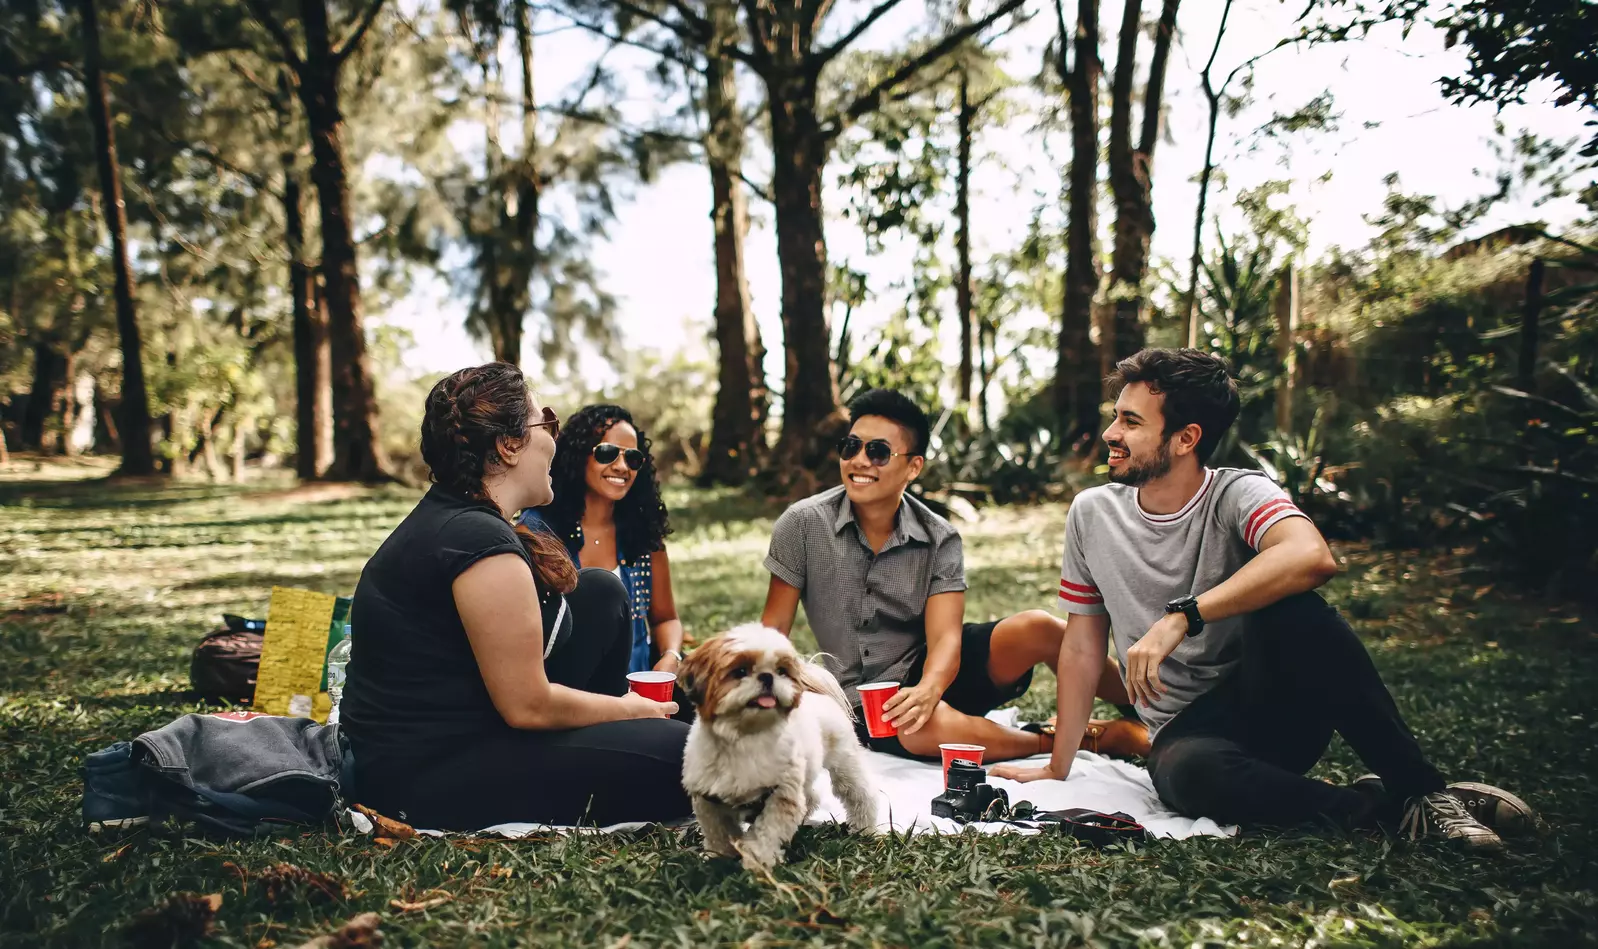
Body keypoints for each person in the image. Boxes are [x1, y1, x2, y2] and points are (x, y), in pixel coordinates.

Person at [993, 348, 1534, 849]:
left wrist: (1184, 616)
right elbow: (1083, 646)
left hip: (1273, 707)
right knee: (1187, 776)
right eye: (1117, 415)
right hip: (1188, 736)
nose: (1111, 432)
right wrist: (1057, 766)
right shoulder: (1092, 513)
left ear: (1186, 438)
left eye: (1131, 422)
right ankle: (1391, 811)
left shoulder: (1238, 492)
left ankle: (1422, 790)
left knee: (1295, 608)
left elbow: (1310, 556)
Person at [341, 363, 691, 831]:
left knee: (601, 591)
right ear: (508, 446)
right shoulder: (476, 541)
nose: (554, 438)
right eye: (545, 422)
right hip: (427, 773)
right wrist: (633, 707)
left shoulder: (465, 517)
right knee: (688, 757)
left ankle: (623, 738)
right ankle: (632, 738)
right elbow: (528, 706)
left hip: (472, 726)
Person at [759, 388, 1147, 763]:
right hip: (864, 699)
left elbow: (946, 636)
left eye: (877, 452)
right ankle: (1075, 739)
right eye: (851, 447)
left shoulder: (939, 537)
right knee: (918, 728)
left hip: (935, 668)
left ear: (913, 467)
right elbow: (773, 630)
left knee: (1040, 628)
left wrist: (929, 688)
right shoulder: (803, 524)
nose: (859, 460)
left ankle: (1153, 713)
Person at [518, 404, 685, 679]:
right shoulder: (538, 531)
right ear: (578, 456)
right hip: (568, 695)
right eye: (607, 453)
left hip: (640, 692)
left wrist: (670, 657)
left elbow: (665, 618)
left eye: (632, 458)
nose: (621, 466)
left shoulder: (643, 533)